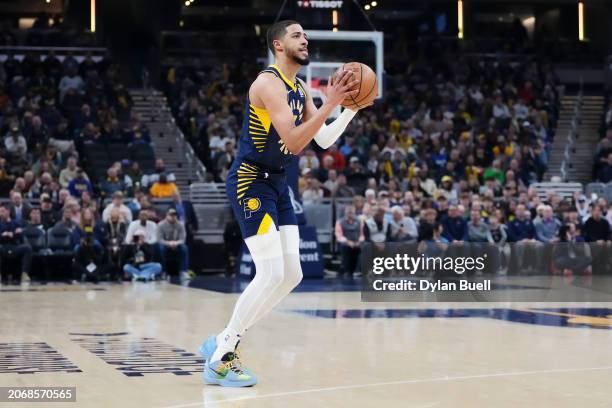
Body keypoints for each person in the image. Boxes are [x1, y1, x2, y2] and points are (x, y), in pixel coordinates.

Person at [198, 20, 366, 387]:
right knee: (271, 272)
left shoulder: (300, 87)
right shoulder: (267, 83)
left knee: (293, 274)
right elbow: (292, 141)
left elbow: (321, 139)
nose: (305, 40)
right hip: (250, 181)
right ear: (278, 44)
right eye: (296, 35)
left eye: (305, 35)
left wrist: (350, 109)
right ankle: (223, 355)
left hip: (277, 183)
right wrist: (332, 103)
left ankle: (221, 339)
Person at [0, 205, 32, 283]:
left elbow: (19, 235)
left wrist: (13, 234)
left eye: (2, 211)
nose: (0, 213)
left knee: (27, 248)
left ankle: (24, 273)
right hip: (2, 246)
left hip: (14, 246)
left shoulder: (16, 223)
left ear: (8, 211)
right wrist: (3, 235)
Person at [157, 209, 188, 278]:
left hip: (177, 244)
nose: (173, 217)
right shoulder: (160, 225)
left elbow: (183, 239)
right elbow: (159, 239)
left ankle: (183, 271)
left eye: (174, 215)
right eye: (171, 215)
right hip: (165, 244)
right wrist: (169, 243)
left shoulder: (180, 225)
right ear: (166, 216)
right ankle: (163, 271)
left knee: (184, 248)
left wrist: (175, 243)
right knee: (161, 249)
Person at [334, 204, 364, 276]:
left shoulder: (360, 221)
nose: (350, 213)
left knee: (361, 247)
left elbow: (362, 234)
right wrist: (347, 242)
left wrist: (359, 241)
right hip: (345, 242)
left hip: (357, 242)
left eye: (351, 211)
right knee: (345, 247)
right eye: (348, 211)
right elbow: (339, 235)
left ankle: (358, 270)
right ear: (345, 212)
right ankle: (345, 269)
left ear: (354, 212)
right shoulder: (340, 222)